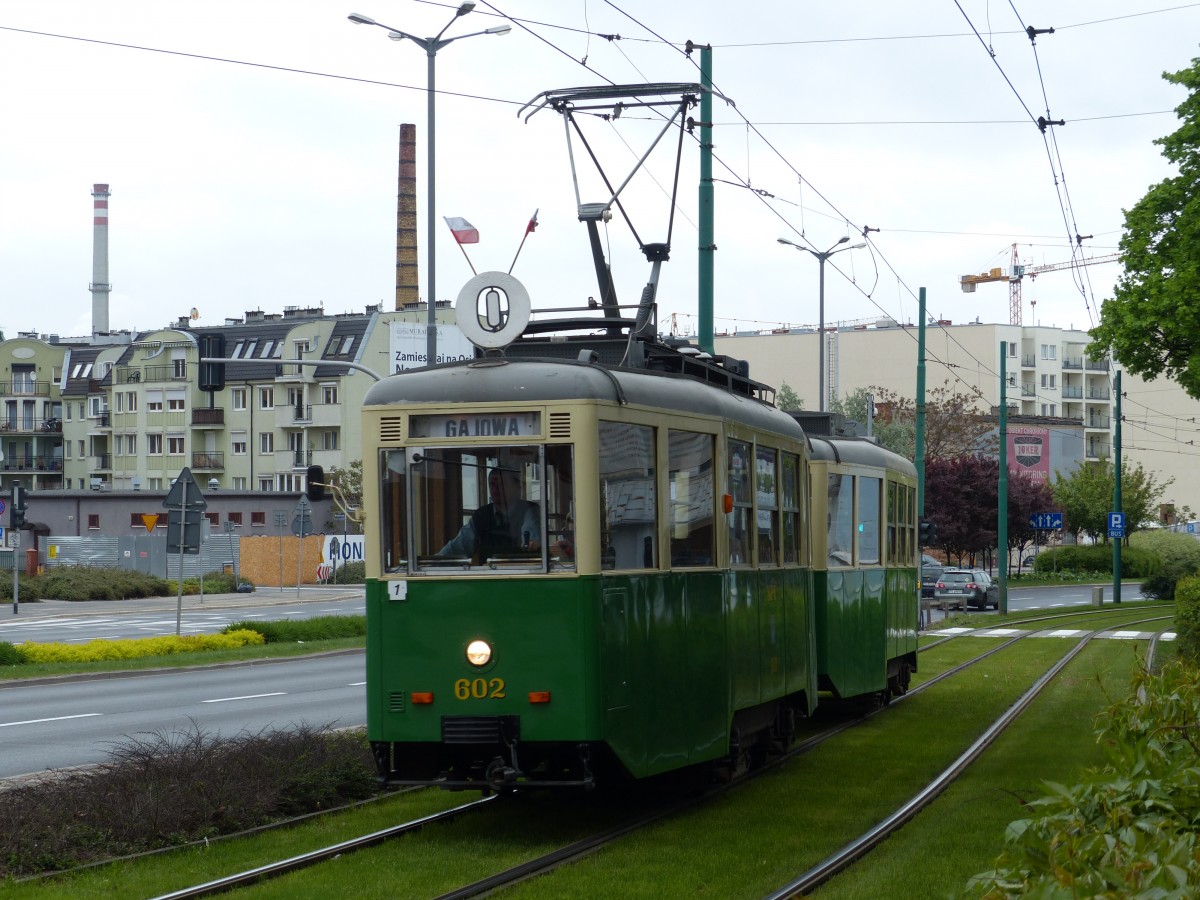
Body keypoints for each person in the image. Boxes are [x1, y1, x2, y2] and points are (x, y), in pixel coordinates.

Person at [438, 468, 540, 559]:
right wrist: (434, 561)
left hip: (523, 573)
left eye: (502, 484)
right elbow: (458, 546)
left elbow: (530, 536)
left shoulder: (529, 510)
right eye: (492, 484)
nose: (497, 489)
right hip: (489, 574)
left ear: (517, 488)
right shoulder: (481, 515)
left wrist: (530, 543)